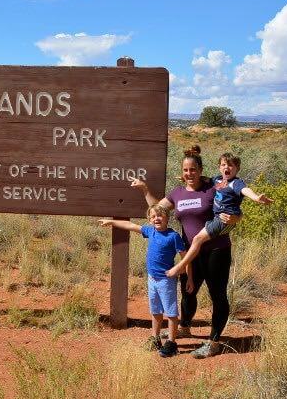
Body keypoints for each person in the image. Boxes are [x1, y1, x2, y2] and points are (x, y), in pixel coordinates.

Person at [131, 146, 239, 358]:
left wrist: (237, 217)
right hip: (189, 253)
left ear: (200, 170)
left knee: (217, 295)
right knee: (189, 291)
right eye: (185, 170)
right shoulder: (177, 193)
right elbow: (157, 209)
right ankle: (185, 327)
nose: (189, 173)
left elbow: (233, 206)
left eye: (193, 169)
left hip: (216, 250)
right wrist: (145, 190)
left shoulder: (213, 187)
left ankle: (214, 342)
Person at [165, 152, 272, 279]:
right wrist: (186, 177)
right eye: (223, 165)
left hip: (223, 227)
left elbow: (245, 190)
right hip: (213, 223)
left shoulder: (235, 183)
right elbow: (204, 178)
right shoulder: (216, 180)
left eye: (231, 165)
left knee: (197, 239)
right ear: (219, 167)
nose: (227, 167)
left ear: (237, 168)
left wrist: (255, 198)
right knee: (197, 241)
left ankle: (181, 266)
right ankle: (184, 265)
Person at [100, 205, 188, 357]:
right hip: (152, 279)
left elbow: (185, 257)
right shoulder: (150, 231)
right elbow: (130, 225)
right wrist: (112, 222)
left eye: (159, 216)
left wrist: (183, 273)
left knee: (171, 313)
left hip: (166, 280)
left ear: (167, 217)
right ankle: (156, 338)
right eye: (153, 216)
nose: (156, 219)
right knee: (155, 311)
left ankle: (171, 343)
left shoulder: (173, 236)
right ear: (149, 220)